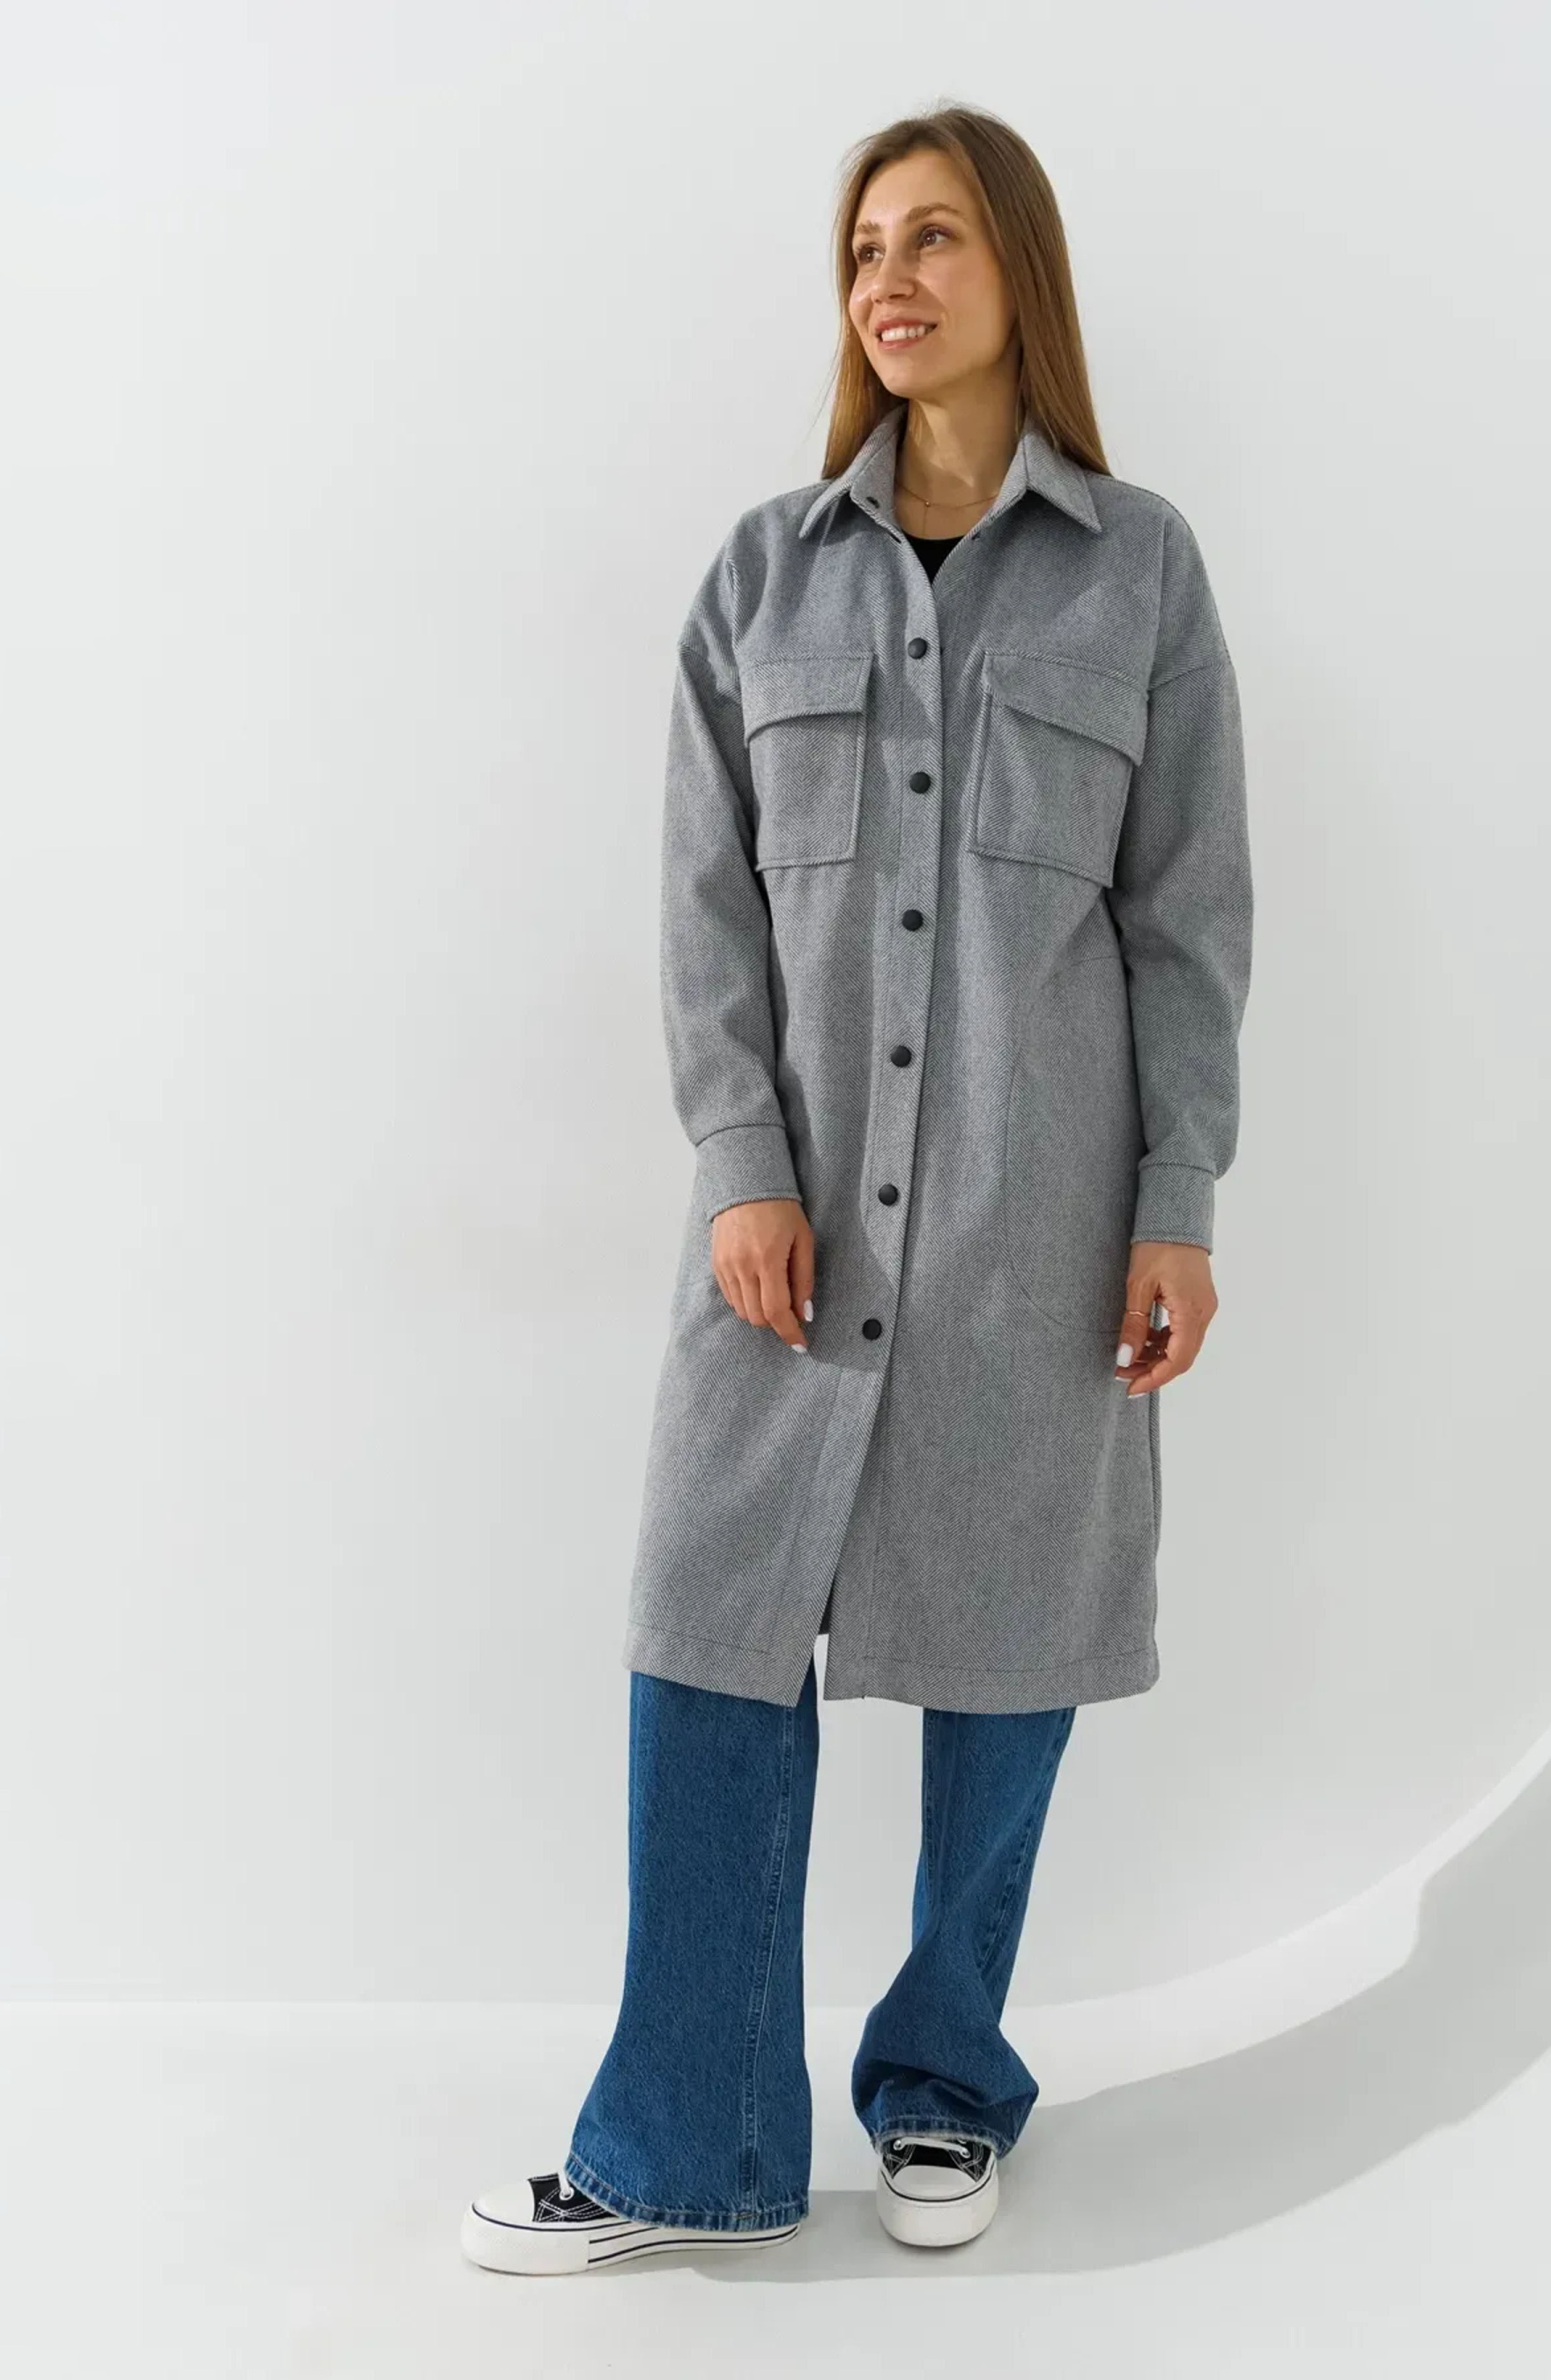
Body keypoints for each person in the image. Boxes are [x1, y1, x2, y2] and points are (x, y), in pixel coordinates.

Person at [461, 100, 1252, 2275]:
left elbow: (1185, 919)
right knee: (708, 1632)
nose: (886, 279)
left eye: (932, 239)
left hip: (1034, 1218)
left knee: (1011, 1647)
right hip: (788, 1230)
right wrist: (737, 1158)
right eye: (861, 248)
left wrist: (1176, 1196)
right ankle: (683, 2140)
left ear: (1018, 274)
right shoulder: (760, 575)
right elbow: (702, 901)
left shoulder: (1137, 572)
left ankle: (945, 2083)